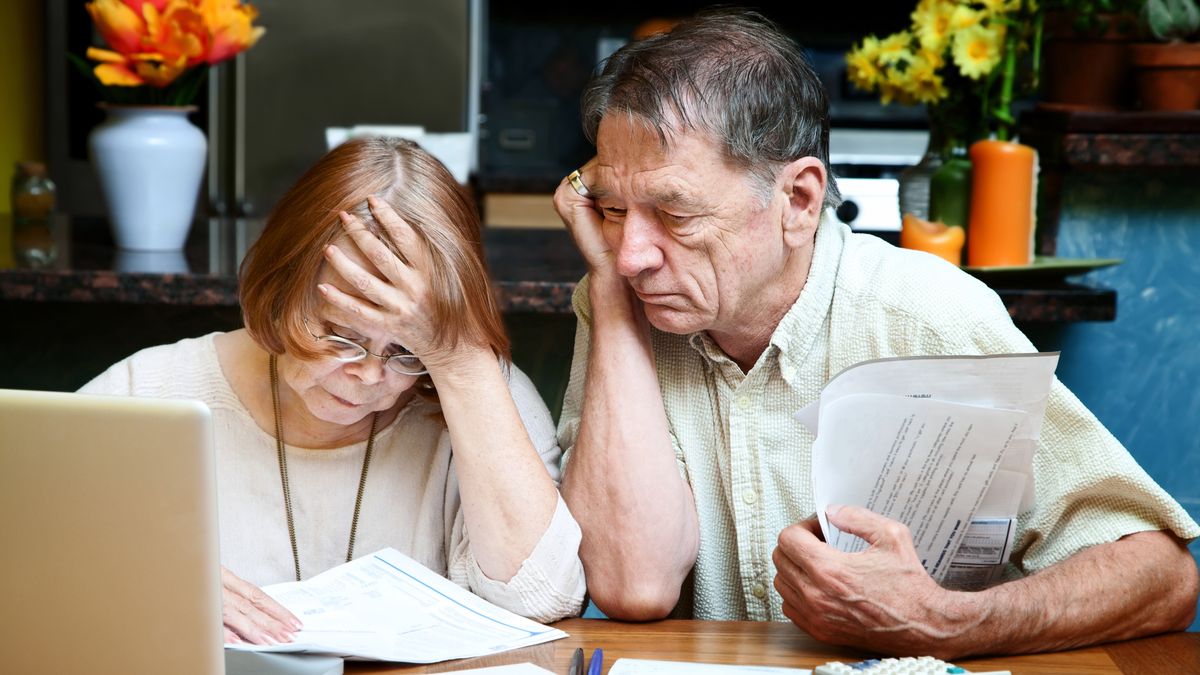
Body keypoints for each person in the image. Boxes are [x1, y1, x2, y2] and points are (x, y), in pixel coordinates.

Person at [553, 8, 1199, 658]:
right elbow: (632, 583)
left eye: (674, 212)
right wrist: (608, 298)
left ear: (799, 202)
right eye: (611, 208)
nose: (632, 253)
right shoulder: (620, 294)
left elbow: (1163, 577)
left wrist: (947, 620)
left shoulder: (926, 315)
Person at [82, 137, 586, 643]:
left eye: (406, 351)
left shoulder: (476, 390)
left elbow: (543, 597)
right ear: (279, 290)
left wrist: (459, 360)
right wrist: (145, 579)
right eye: (341, 336)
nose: (370, 375)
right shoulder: (149, 393)